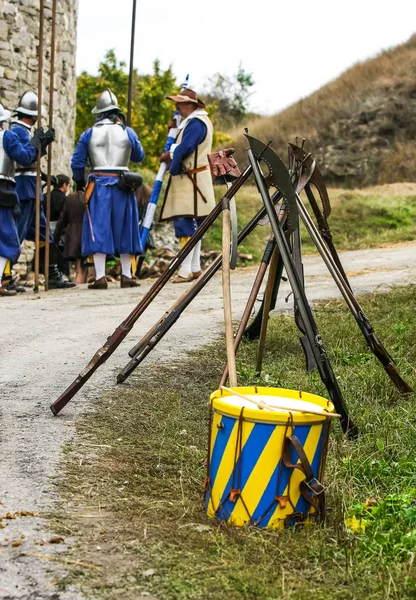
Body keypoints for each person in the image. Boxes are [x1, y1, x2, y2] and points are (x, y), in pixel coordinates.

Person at [71, 88, 145, 289]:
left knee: (99, 228)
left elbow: (77, 162)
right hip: (123, 184)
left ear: (99, 113)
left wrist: (79, 181)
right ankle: (127, 275)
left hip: (99, 184)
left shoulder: (89, 133)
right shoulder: (127, 131)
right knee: (125, 228)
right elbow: (139, 156)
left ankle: (100, 277)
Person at [9, 90, 75, 289]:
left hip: (33, 185)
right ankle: (5, 275)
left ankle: (52, 272)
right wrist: (38, 143)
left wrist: (42, 146)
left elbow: (33, 160)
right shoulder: (18, 131)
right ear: (33, 115)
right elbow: (24, 159)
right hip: (25, 187)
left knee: (45, 233)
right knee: (16, 234)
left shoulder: (24, 132)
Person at [159, 88, 215, 283]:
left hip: (191, 180)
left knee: (187, 225)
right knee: (194, 226)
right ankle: (194, 267)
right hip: (195, 179)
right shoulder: (194, 122)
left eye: (180, 103)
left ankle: (185, 270)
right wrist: (173, 132)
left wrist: (170, 159)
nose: (177, 107)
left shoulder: (196, 123)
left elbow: (186, 147)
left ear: (190, 105)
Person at [0, 102, 39, 296]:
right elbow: (24, 157)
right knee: (8, 237)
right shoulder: (7, 136)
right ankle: (2, 279)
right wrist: (37, 144)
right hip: (3, 188)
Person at [54, 190, 87, 284]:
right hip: (85, 231)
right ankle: (80, 287)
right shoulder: (87, 199)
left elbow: (62, 219)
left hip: (72, 233)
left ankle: (80, 285)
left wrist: (55, 238)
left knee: (79, 264)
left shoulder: (69, 200)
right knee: (82, 267)